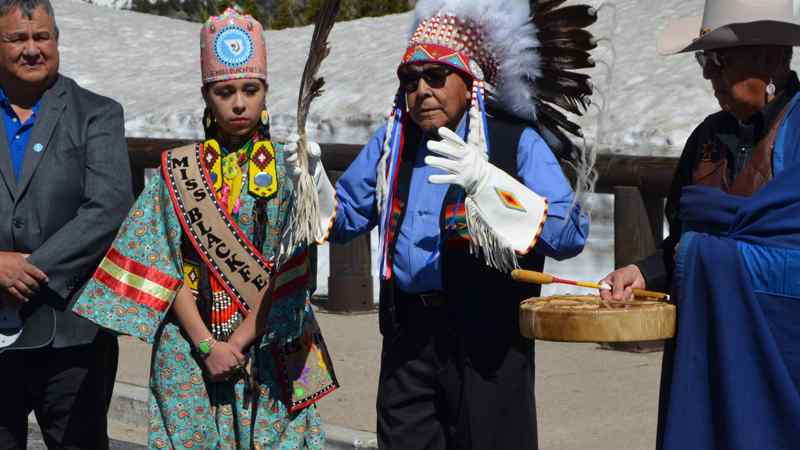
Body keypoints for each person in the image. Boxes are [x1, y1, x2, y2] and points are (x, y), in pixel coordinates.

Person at [287, 0, 596, 448]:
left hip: (489, 342)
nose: (422, 91)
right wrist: (311, 184)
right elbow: (345, 217)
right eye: (410, 80)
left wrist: (489, 185)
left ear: (469, 80)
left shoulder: (515, 141)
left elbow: (569, 234)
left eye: (436, 77)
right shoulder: (393, 142)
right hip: (409, 339)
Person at [73, 9, 336, 449]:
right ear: (206, 96)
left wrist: (239, 339)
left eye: (250, 90)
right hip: (189, 344)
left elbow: (294, 268)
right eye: (225, 91)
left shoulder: (292, 168)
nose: (238, 103)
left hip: (274, 337)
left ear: (265, 93)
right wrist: (205, 345)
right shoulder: (176, 170)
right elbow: (160, 261)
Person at [599, 1, 800, 449]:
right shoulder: (708, 139)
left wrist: (709, 257)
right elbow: (689, 239)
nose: (708, 74)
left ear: (770, 57)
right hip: (708, 334)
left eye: (718, 60)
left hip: (780, 350)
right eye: (703, 60)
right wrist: (646, 271)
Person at [0, 0, 133, 447]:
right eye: (17, 38)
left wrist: (27, 268)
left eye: (43, 37)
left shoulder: (96, 113)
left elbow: (109, 207)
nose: (33, 49)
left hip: (73, 332)